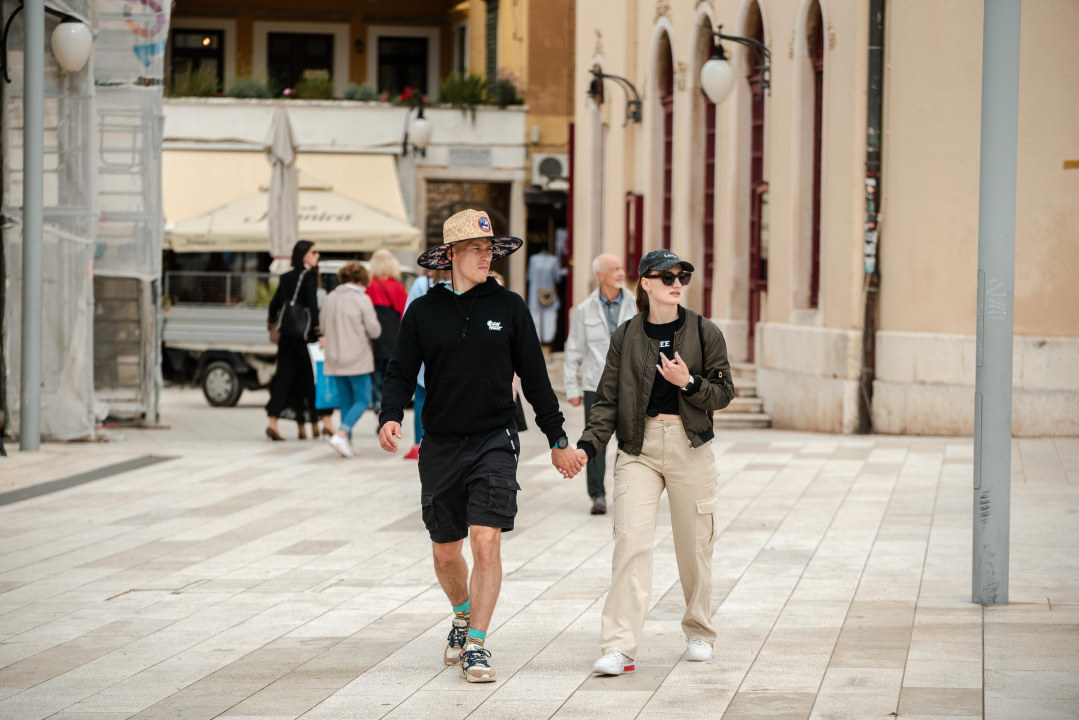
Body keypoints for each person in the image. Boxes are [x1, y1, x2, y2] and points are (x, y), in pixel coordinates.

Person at [378, 209, 583, 684]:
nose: (485, 254)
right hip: (440, 443)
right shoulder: (423, 311)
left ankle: (477, 645)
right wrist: (391, 415)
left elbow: (535, 377)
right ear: (450, 255)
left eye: (489, 247)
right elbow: (400, 371)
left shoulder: (510, 307)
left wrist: (557, 438)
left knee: (486, 540)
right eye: (475, 247)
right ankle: (461, 613)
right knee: (446, 551)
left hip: (495, 437)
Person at [575, 249, 735, 675]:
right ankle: (619, 647)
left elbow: (724, 390)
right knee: (631, 542)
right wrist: (587, 447)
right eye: (665, 276)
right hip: (638, 448)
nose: (676, 282)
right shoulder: (626, 336)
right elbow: (607, 401)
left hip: (691, 445)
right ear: (644, 284)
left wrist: (690, 382)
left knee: (695, 546)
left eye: (681, 275)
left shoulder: (705, 331)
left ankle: (699, 631)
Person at [563, 254, 636, 515]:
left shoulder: (637, 304)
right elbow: (574, 350)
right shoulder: (584, 309)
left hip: (631, 385)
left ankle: (625, 491)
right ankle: (597, 495)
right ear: (600, 275)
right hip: (596, 385)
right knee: (594, 443)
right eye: (614, 269)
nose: (620, 272)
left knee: (628, 442)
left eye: (621, 268)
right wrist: (572, 387)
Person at [320, 261, 382, 458]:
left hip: (333, 357)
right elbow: (374, 330)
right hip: (357, 357)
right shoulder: (362, 299)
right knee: (364, 399)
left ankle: (348, 442)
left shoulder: (330, 298)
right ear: (360, 280)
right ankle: (342, 434)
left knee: (346, 400)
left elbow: (322, 326)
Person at [265, 241, 321, 442]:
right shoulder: (309, 277)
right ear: (304, 255)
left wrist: (271, 321)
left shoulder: (286, 276)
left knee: (282, 378)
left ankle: (273, 421)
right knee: (309, 378)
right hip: (302, 336)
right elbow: (313, 307)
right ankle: (320, 421)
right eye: (314, 252)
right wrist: (319, 332)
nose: (317, 255)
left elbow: (275, 303)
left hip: (286, 334)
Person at [401, 268, 452, 460]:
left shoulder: (422, 283)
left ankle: (418, 443)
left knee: (422, 397)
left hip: (425, 349)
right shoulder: (461, 283)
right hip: (451, 351)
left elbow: (408, 316)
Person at [366, 249, 408, 413]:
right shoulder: (398, 287)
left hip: (374, 336)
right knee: (389, 374)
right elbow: (404, 314)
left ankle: (377, 403)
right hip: (393, 335)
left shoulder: (369, 285)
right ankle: (386, 405)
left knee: (375, 371)